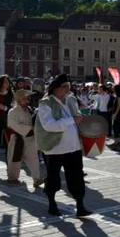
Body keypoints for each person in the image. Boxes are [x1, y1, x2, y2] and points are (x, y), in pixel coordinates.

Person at [34, 73, 91, 217]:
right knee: (53, 179)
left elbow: (77, 118)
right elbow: (49, 126)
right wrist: (72, 120)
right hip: (54, 149)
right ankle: (52, 204)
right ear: (55, 88)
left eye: (68, 86)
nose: (67, 89)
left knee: (77, 178)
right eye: (64, 86)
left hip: (73, 147)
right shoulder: (45, 104)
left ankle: (80, 206)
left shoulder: (71, 100)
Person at [6, 90, 43, 187]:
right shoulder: (12, 112)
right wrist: (29, 129)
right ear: (18, 100)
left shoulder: (29, 110)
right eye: (24, 98)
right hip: (17, 138)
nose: (27, 100)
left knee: (33, 158)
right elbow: (13, 125)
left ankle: (36, 178)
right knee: (15, 159)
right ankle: (13, 177)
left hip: (30, 138)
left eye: (27, 98)